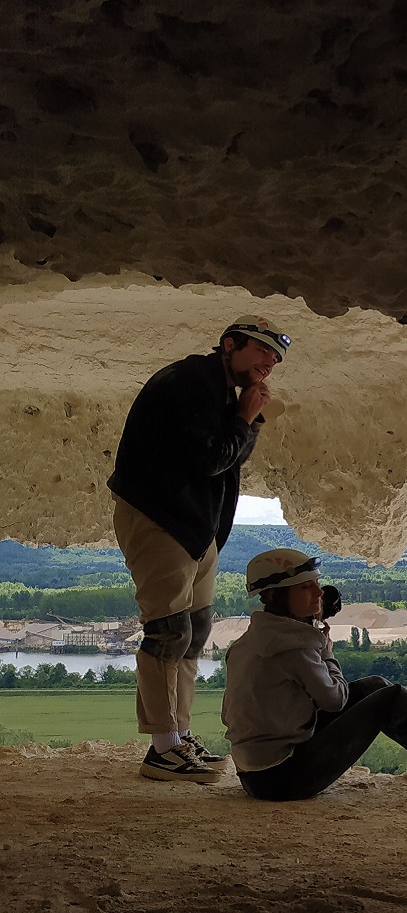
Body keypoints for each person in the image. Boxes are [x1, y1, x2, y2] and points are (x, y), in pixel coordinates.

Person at [108, 314, 290, 783]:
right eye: (262, 350)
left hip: (193, 526)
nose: (270, 361)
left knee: (191, 629)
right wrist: (247, 417)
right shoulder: (190, 382)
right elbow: (211, 458)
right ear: (229, 344)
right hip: (162, 519)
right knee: (167, 630)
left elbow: (219, 458)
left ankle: (178, 735)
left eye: (275, 355)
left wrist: (242, 417)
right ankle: (162, 748)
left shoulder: (214, 388)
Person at [222, 550, 407, 800]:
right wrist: (326, 652)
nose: (320, 593)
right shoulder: (293, 648)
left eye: (317, 584)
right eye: (306, 587)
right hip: (283, 778)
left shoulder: (247, 642)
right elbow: (334, 701)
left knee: (374, 686)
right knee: (391, 697)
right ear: (277, 595)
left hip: (252, 773)